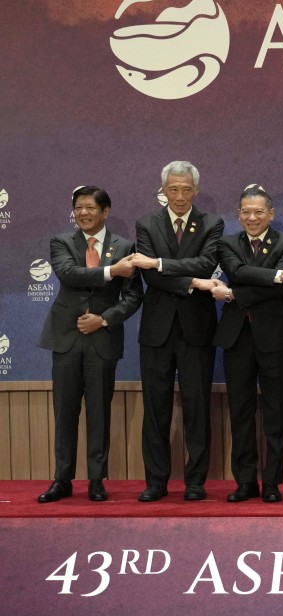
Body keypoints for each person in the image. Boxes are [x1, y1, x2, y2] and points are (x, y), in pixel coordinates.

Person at [36, 186, 142, 503]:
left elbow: (133, 296)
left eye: (90, 207)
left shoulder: (125, 247)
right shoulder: (62, 242)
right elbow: (69, 274)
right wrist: (112, 270)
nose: (83, 213)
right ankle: (62, 480)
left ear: (105, 212)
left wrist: (104, 319)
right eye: (78, 207)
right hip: (66, 339)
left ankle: (96, 480)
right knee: (64, 412)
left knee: (99, 412)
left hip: (102, 339)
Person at [131, 161, 224, 502]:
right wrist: (192, 282)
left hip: (196, 328)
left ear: (195, 190)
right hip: (156, 330)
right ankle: (155, 482)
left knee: (197, 407)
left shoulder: (212, 223)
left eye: (186, 189)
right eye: (173, 189)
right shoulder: (146, 223)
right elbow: (150, 278)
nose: (180, 196)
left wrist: (159, 263)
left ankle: (195, 482)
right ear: (163, 190)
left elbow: (206, 264)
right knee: (155, 408)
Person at [211, 186, 283, 503]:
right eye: (246, 212)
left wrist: (233, 293)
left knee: (277, 411)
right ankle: (245, 481)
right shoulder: (227, 243)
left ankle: (272, 482)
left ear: (271, 214)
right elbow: (236, 271)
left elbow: (275, 290)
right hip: (237, 336)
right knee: (240, 412)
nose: (252, 217)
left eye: (258, 212)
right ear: (238, 215)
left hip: (275, 336)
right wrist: (276, 275)